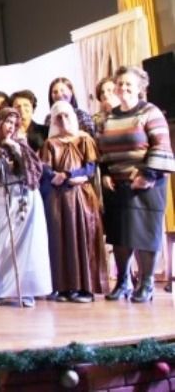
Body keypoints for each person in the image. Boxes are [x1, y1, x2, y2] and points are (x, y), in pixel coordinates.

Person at [98, 65, 174, 303]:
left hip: (146, 185)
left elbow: (161, 146)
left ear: (140, 88)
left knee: (144, 235)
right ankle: (123, 282)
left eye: (128, 84)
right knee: (119, 236)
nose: (123, 88)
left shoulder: (150, 112)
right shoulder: (109, 117)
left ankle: (147, 283)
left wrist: (147, 175)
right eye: (120, 83)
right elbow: (102, 151)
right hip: (117, 186)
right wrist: (105, 174)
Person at [0, 107, 52, 307]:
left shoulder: (21, 144)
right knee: (4, 244)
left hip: (25, 197)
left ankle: (25, 291)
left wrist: (16, 150)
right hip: (3, 196)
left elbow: (35, 171)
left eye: (14, 123)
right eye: (7, 122)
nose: (10, 126)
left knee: (27, 247)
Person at [40, 101, 106, 302]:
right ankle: (63, 287)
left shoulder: (84, 139)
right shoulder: (50, 143)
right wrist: (55, 176)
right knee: (59, 240)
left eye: (66, 115)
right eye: (58, 117)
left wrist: (69, 174)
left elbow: (90, 167)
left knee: (83, 238)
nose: (63, 120)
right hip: (58, 199)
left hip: (81, 198)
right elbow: (45, 168)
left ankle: (85, 288)